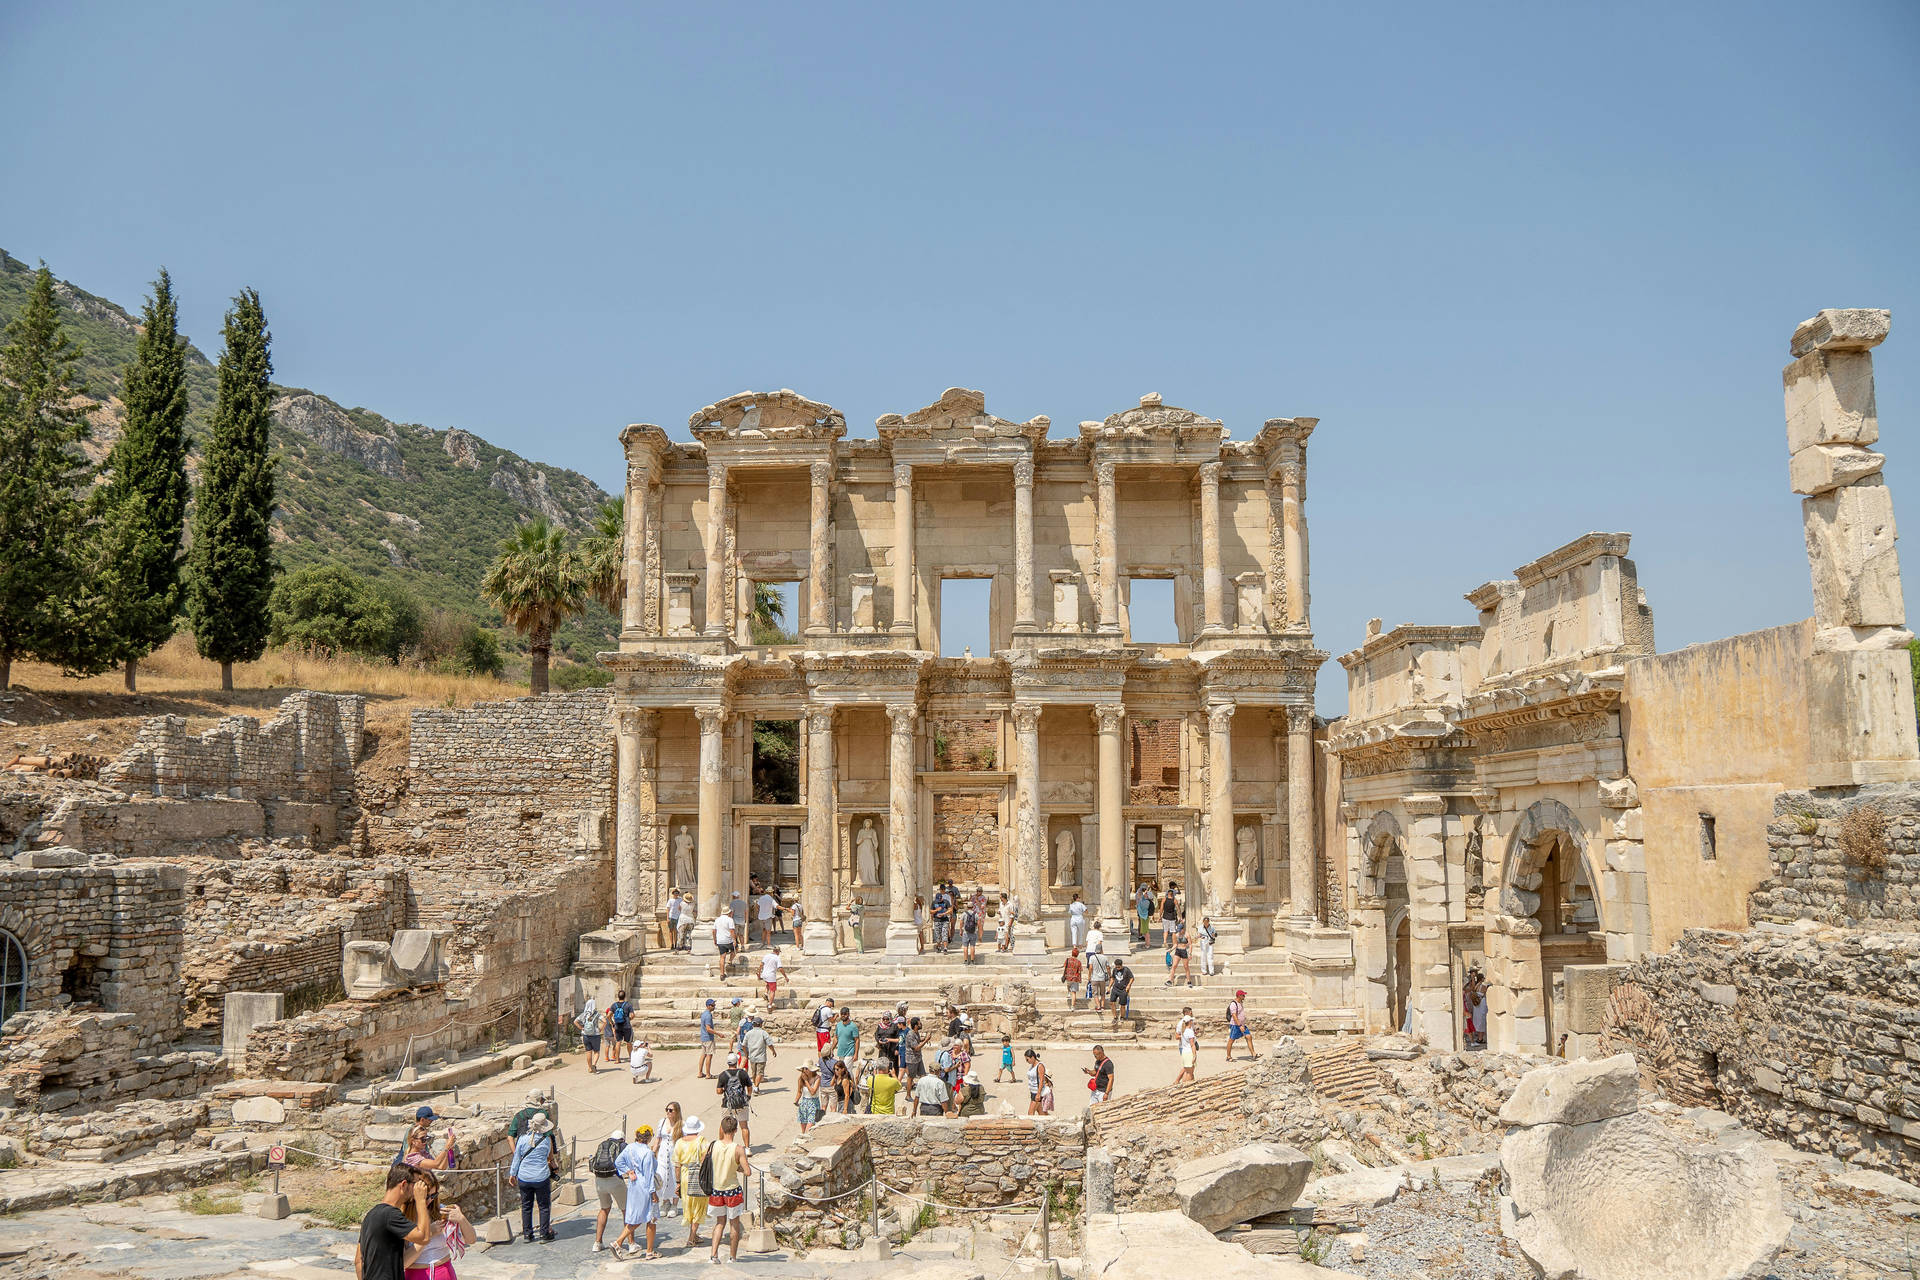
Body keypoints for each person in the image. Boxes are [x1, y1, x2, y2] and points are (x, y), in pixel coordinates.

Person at [356, 1165, 433, 1279]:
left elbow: (358, 1260)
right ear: (404, 1185)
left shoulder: (371, 1214)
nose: (416, 1190)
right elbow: (424, 1237)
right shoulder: (391, 1215)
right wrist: (421, 1201)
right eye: (415, 1185)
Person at [401, 1169, 473, 1280]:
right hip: (417, 1275)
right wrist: (427, 1235)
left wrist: (461, 1219)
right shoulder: (403, 1218)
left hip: (445, 1272)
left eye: (433, 1196)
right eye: (426, 1196)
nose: (430, 1200)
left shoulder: (441, 1211)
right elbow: (403, 1262)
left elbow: (471, 1240)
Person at [705, 1116, 752, 1263]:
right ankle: (733, 1256)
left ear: (722, 1128)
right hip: (732, 1190)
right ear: (736, 1130)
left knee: (719, 1223)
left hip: (716, 1189)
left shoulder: (712, 1146)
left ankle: (714, 1255)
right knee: (734, 1224)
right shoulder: (738, 1149)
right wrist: (737, 1167)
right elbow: (748, 1171)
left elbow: (703, 1162)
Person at [612, 1125, 660, 1260]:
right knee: (649, 1217)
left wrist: (628, 1171)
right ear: (649, 1138)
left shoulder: (630, 1148)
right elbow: (649, 1174)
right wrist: (653, 1192)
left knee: (640, 1216)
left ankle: (648, 1251)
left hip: (634, 1185)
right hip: (645, 1186)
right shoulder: (647, 1153)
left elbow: (618, 1161)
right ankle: (619, 1242)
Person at [510, 1113, 558, 1244]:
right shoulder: (546, 1140)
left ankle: (528, 1234)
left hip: (524, 1176)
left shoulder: (522, 1139)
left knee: (526, 1206)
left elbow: (516, 1158)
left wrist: (512, 1174)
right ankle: (544, 1233)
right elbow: (549, 1157)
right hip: (541, 1177)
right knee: (544, 1206)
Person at [588, 1126, 629, 1253]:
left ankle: (597, 1242)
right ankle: (631, 1242)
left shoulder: (602, 1144)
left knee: (604, 1209)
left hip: (599, 1180)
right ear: (622, 1139)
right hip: (614, 1179)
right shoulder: (622, 1145)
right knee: (626, 1210)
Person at [674, 1116, 710, 1249]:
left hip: (684, 1174)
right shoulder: (702, 1141)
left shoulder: (679, 1142)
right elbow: (706, 1158)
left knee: (688, 1205)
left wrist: (677, 1182)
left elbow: (676, 1165)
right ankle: (691, 1237)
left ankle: (693, 1234)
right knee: (698, 1206)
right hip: (698, 1175)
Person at [716, 1051, 753, 1150]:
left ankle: (722, 1145)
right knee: (744, 1126)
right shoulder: (743, 1073)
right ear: (736, 1062)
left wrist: (725, 1089)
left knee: (724, 1124)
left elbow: (718, 1091)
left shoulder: (723, 1075)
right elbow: (750, 1087)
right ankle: (747, 1148)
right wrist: (748, 1096)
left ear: (728, 1063)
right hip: (741, 1103)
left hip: (727, 1103)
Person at [653, 1102, 684, 1217]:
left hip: (674, 1153)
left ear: (676, 1112)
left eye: (670, 1110)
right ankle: (665, 1202)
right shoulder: (662, 1122)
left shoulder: (681, 1125)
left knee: (674, 1177)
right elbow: (658, 1139)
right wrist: (653, 1152)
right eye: (667, 1109)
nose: (668, 1112)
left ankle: (674, 1204)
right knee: (662, 1176)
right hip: (662, 1154)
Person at [742, 1016, 776, 1086]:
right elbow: (769, 1044)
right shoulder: (763, 1033)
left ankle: (755, 1086)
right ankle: (756, 1087)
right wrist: (773, 1051)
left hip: (752, 1057)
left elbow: (743, 1045)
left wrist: (746, 1054)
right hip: (761, 1057)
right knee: (760, 1073)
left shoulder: (749, 1033)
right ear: (760, 1024)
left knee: (754, 1073)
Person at [1225, 989, 1254, 1060]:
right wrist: (1239, 1026)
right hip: (1236, 1025)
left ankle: (1254, 1054)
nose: (1244, 996)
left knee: (1249, 1037)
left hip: (1242, 1024)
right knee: (1231, 1040)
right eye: (1243, 995)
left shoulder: (1240, 1002)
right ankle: (1228, 1056)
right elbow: (1234, 1016)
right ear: (1239, 996)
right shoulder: (1233, 1004)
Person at [576, 996, 602, 1073]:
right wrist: (600, 1029)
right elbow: (604, 1021)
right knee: (596, 1052)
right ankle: (594, 1065)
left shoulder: (584, 1014)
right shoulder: (596, 1014)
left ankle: (590, 1068)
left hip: (585, 1035)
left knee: (588, 1051)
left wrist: (581, 1028)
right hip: (595, 1035)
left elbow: (575, 1022)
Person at [833, 1005, 861, 1075]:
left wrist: (856, 1054)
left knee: (846, 1071)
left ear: (848, 1014)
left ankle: (851, 1085)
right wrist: (831, 1049)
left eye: (845, 1014)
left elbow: (857, 1040)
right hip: (841, 1052)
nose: (843, 1015)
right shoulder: (838, 1025)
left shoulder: (853, 1026)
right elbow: (836, 1038)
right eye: (842, 1014)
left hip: (849, 1052)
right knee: (841, 1071)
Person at [795, 1064, 823, 1133]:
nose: (805, 1070)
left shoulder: (817, 1078)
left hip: (814, 1104)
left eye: (807, 1068)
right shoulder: (801, 1078)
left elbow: (813, 1092)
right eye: (804, 1068)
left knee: (809, 1129)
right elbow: (799, 1091)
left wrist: (806, 1081)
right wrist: (796, 1100)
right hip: (804, 1104)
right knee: (803, 1130)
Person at [1107, 959, 1134, 1030]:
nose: (1117, 968)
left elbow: (1132, 978)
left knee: (1122, 1005)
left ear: (1121, 965)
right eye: (1116, 967)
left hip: (1123, 989)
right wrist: (1109, 987)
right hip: (1115, 988)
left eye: (1119, 967)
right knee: (1111, 1002)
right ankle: (1115, 1017)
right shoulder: (1115, 970)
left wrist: (1129, 985)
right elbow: (1112, 978)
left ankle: (1122, 1017)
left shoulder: (1126, 970)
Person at [608, 990, 633, 1064]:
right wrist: (629, 1019)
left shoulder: (614, 1005)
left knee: (618, 1042)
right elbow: (632, 1015)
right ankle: (631, 1058)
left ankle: (617, 1059)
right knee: (629, 1042)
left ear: (618, 996)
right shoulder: (628, 1005)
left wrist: (612, 1023)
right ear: (625, 996)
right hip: (626, 1026)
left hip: (618, 1026)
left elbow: (608, 1015)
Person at [1024, 1048, 1052, 1115]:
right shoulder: (1032, 1066)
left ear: (1032, 1057)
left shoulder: (1040, 1066)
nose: (1026, 1061)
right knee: (1041, 1112)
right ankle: (1049, 1122)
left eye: (1027, 1059)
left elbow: (1042, 1080)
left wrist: (1038, 1094)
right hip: (1033, 1092)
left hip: (1037, 1092)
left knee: (1030, 1113)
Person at [1175, 1010, 1199, 1085]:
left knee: (1187, 1071)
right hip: (1189, 1053)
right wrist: (1194, 1055)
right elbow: (1192, 1044)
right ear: (1190, 1022)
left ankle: (1183, 1084)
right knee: (1190, 1073)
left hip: (1185, 1052)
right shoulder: (1189, 1031)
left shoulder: (1183, 1031)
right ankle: (1187, 1086)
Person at [712, 909, 737, 977]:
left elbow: (714, 931)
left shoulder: (717, 920)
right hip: (728, 940)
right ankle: (730, 960)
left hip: (720, 940)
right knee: (735, 950)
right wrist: (734, 940)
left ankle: (722, 974)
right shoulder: (730, 920)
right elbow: (732, 931)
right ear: (729, 913)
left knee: (722, 957)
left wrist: (715, 940)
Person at [697, 998, 718, 1078]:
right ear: (708, 1006)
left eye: (714, 1005)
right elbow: (708, 1028)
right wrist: (718, 1034)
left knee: (703, 1055)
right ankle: (708, 1074)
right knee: (709, 1055)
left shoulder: (704, 1014)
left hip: (703, 1037)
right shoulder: (708, 1015)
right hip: (708, 1038)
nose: (714, 1007)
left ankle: (700, 1072)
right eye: (712, 1005)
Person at [930, 884, 953, 952]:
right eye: (938, 899)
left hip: (945, 919)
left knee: (944, 933)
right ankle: (939, 946)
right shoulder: (934, 902)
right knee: (938, 935)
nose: (940, 900)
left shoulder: (946, 901)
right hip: (937, 920)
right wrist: (936, 910)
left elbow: (950, 909)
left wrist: (944, 913)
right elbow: (931, 911)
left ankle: (945, 948)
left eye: (940, 899)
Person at [1088, 946, 1110, 1014]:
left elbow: (1090, 968)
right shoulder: (1105, 957)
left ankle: (1098, 1006)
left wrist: (1089, 976)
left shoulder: (1092, 957)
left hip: (1094, 977)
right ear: (1101, 950)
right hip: (1102, 978)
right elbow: (1108, 967)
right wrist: (1110, 975)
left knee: (1095, 993)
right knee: (1102, 993)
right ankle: (1103, 1006)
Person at [1172, 920, 1194, 987]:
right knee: (1174, 966)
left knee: (1186, 967)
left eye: (1180, 930)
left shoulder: (1187, 935)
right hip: (1178, 951)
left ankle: (1189, 981)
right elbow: (1175, 944)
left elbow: (1190, 944)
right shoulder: (1176, 935)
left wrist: (1190, 953)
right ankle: (1170, 980)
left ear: (1183, 929)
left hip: (1184, 951)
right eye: (1178, 930)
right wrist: (1171, 950)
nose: (1179, 931)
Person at [959, 897, 979, 962]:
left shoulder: (964, 914)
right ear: (973, 907)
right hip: (973, 932)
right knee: (972, 946)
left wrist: (961, 930)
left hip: (966, 932)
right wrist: (977, 929)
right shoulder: (975, 914)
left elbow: (961, 922)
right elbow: (978, 923)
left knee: (965, 946)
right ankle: (972, 960)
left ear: (967, 907)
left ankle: (965, 960)